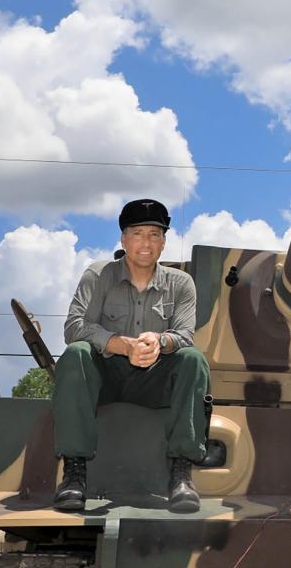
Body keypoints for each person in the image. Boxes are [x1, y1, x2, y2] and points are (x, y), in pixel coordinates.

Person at [52, 198, 211, 514]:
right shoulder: (99, 276)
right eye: (138, 233)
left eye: (155, 234)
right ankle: (74, 473)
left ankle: (181, 472)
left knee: (193, 358)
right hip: (104, 379)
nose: (146, 243)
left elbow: (184, 335)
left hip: (154, 381)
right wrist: (120, 345)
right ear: (124, 239)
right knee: (76, 353)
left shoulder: (181, 284)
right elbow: (75, 327)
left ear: (164, 242)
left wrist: (160, 340)